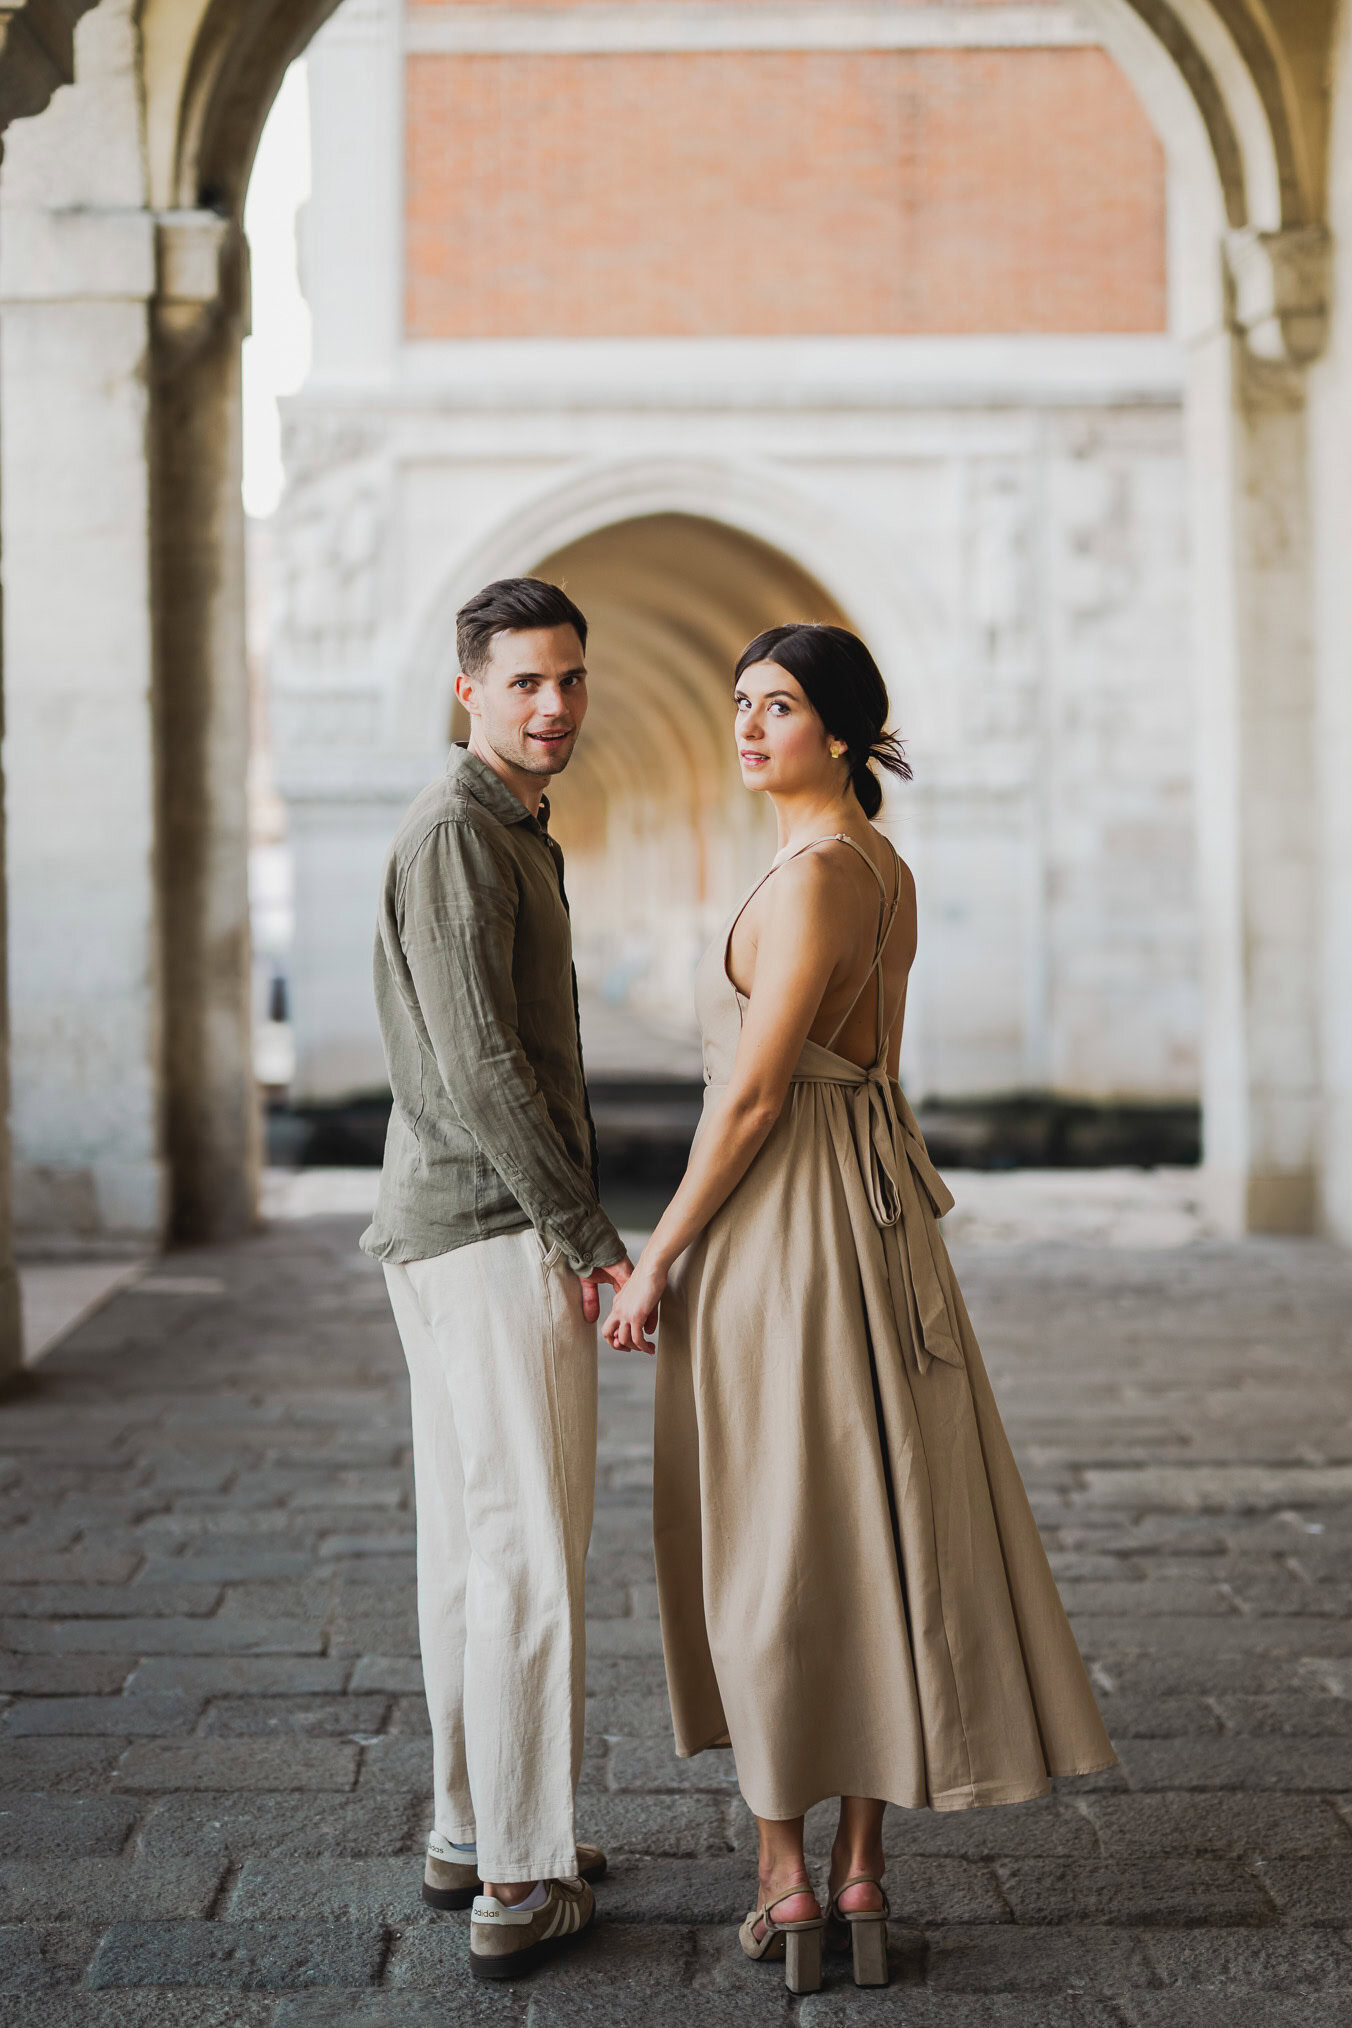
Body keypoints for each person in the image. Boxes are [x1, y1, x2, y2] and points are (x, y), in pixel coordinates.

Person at [604, 622, 1116, 1995]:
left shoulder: (818, 874)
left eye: (777, 706)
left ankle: (788, 1881)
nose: (747, 725)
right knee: (871, 1520)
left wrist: (656, 1258)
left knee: (773, 1537)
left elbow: (755, 1099)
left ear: (838, 730)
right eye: (739, 703)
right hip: (873, 1214)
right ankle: (863, 1872)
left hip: (789, 1227)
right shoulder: (875, 866)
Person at [361, 577, 632, 1980]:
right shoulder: (464, 833)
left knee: (476, 1547)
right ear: (469, 688)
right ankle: (523, 1879)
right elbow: (485, 1069)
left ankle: (474, 1829)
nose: (555, 705)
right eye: (525, 681)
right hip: (493, 1232)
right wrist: (591, 1239)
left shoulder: (501, 826)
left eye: (570, 678)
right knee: (526, 1548)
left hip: (452, 1228)